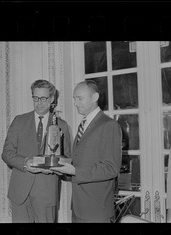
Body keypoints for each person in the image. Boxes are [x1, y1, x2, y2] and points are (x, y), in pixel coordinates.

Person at [51, 80, 122, 223]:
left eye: (79, 98)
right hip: (79, 208)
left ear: (95, 97)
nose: (75, 103)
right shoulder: (84, 124)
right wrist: (64, 171)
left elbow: (111, 168)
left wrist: (75, 171)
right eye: (74, 99)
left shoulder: (109, 125)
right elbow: (83, 163)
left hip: (96, 211)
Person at [1, 80, 71, 223]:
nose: (39, 103)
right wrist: (26, 163)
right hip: (20, 193)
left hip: (46, 193)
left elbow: (68, 159)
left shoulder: (61, 125)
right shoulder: (19, 121)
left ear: (52, 99)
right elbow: (7, 153)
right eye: (35, 98)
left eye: (44, 98)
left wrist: (56, 169)